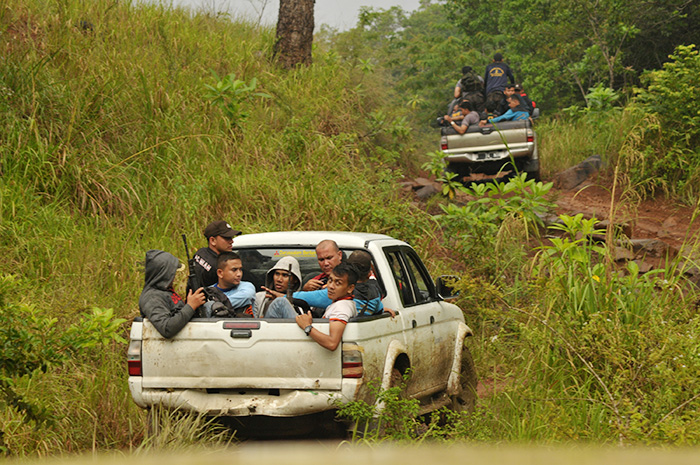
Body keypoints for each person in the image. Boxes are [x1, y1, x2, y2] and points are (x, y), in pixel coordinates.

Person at [253, 263, 356, 351]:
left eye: (338, 283)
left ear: (350, 288)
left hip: (309, 345)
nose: (331, 286)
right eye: (330, 280)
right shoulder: (340, 303)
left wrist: (307, 327)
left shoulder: (341, 308)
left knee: (280, 303)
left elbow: (332, 343)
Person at [139, 249, 206, 338]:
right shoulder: (151, 298)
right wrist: (191, 306)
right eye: (172, 273)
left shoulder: (165, 291)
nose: (174, 277)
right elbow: (167, 328)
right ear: (164, 274)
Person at [192, 220, 241, 289]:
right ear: (213, 241)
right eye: (227, 238)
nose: (231, 241)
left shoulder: (200, 253)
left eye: (231, 237)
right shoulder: (219, 265)